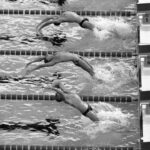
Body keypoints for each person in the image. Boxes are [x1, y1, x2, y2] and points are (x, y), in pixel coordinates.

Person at [24, 51, 95, 78]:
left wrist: (30, 62)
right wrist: (31, 70)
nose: (47, 54)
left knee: (91, 69)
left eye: (47, 55)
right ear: (49, 60)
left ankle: (96, 79)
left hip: (78, 57)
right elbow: (40, 65)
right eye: (47, 56)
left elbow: (41, 58)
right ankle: (98, 81)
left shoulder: (53, 55)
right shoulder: (53, 61)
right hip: (77, 60)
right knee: (91, 72)